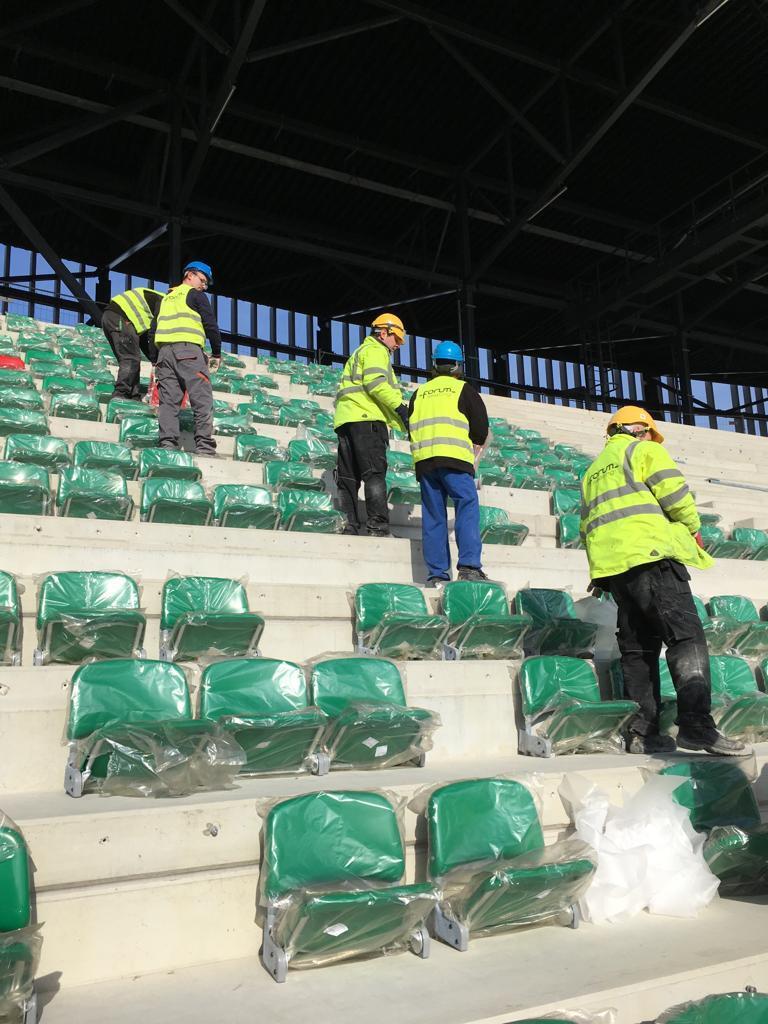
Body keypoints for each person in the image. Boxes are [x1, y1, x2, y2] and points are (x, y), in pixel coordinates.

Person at [579, 405, 747, 757]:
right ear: (638, 429)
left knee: (638, 651)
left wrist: (599, 572)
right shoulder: (644, 450)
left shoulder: (592, 471)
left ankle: (642, 733)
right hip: (652, 557)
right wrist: (693, 527)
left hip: (615, 570)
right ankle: (696, 726)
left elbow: (587, 525)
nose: (651, 439)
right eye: (649, 433)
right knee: (686, 637)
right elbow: (674, 495)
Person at [408, 341, 489, 585]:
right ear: (457, 366)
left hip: (425, 462)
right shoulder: (463, 390)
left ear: (434, 364)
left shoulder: (418, 393)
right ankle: (469, 566)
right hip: (454, 459)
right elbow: (480, 430)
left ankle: (436, 574)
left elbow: (409, 426)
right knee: (467, 504)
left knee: (433, 516)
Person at [333, 312, 410, 537]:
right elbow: (376, 384)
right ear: (383, 333)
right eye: (397, 339)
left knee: (348, 477)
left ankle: (350, 525)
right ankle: (378, 527)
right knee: (374, 474)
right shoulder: (376, 351)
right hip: (367, 420)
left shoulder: (359, 352)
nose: (397, 346)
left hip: (347, 419)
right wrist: (401, 409)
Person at [147, 261, 220, 457]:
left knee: (168, 403)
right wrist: (217, 352)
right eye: (203, 281)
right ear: (190, 275)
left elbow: (152, 331)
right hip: (188, 351)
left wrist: (154, 359)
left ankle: (167, 446)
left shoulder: (166, 298)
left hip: (164, 356)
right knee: (202, 400)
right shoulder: (195, 295)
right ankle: (204, 447)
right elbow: (210, 324)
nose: (204, 286)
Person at [101, 285, 164, 401]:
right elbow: (153, 334)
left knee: (132, 358)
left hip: (112, 318)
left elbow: (145, 341)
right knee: (131, 359)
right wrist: (156, 360)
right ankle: (121, 393)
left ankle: (133, 396)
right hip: (122, 317)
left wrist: (154, 358)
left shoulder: (150, 308)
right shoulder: (166, 303)